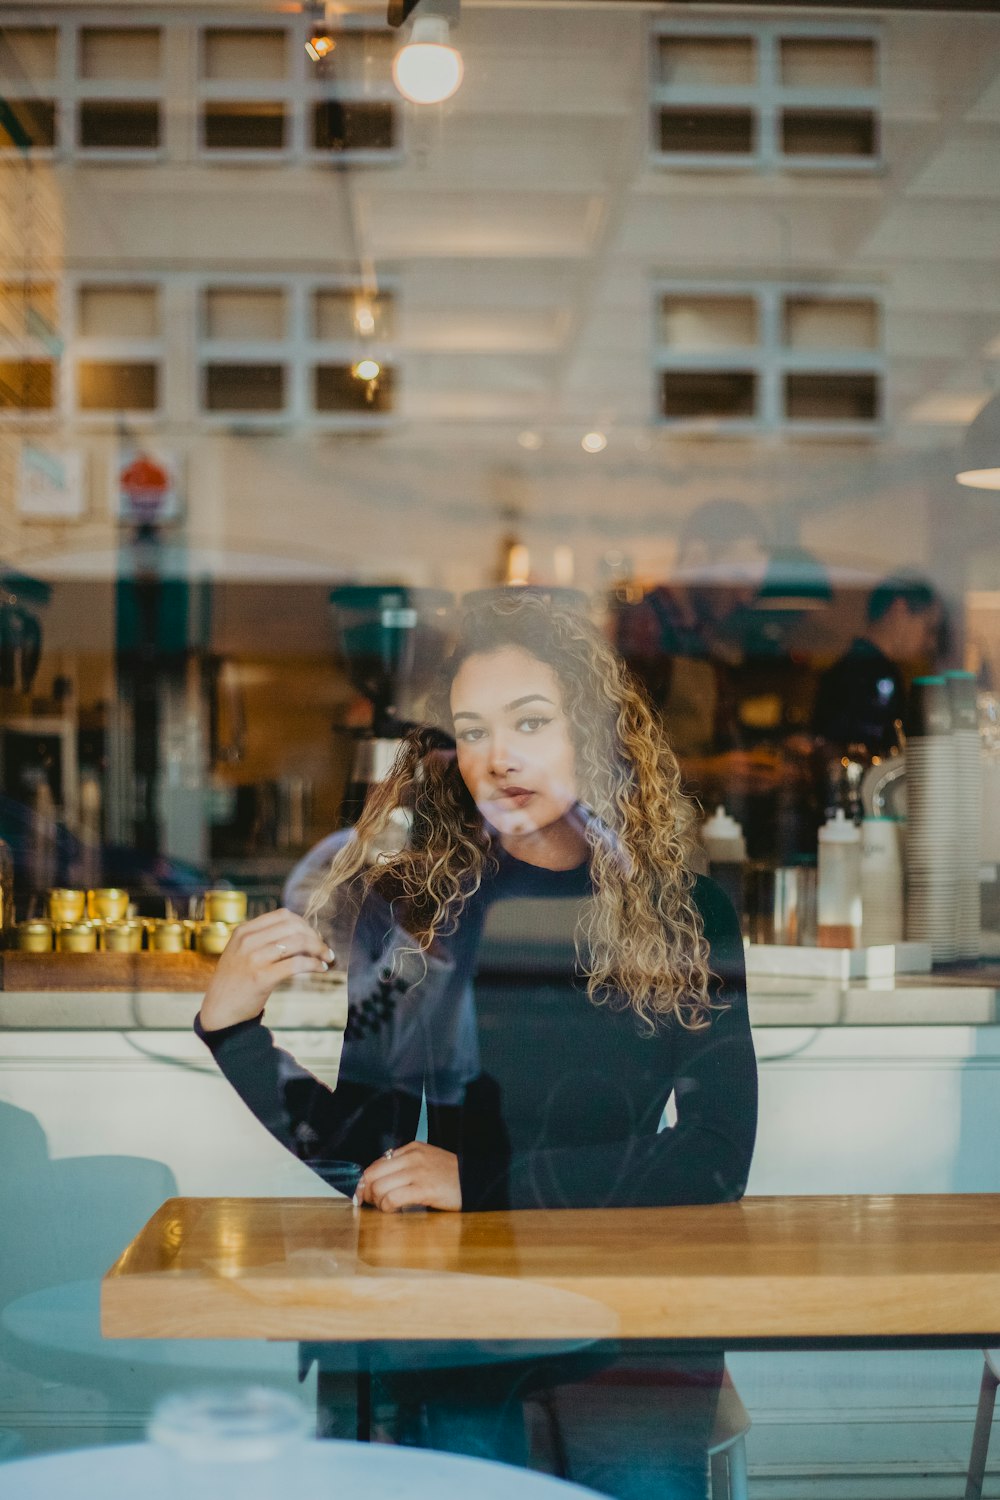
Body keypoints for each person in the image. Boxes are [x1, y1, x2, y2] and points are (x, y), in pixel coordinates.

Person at [195, 591, 757, 1499]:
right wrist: (235, 1035)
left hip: (640, 1323)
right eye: (471, 731)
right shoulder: (411, 909)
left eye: (530, 722)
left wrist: (480, 1180)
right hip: (463, 1322)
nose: (498, 758)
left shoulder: (693, 916)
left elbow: (716, 1158)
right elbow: (370, 1153)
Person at [812, 573, 942, 755]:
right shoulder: (876, 675)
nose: (931, 642)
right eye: (928, 627)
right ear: (900, 610)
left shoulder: (845, 668)